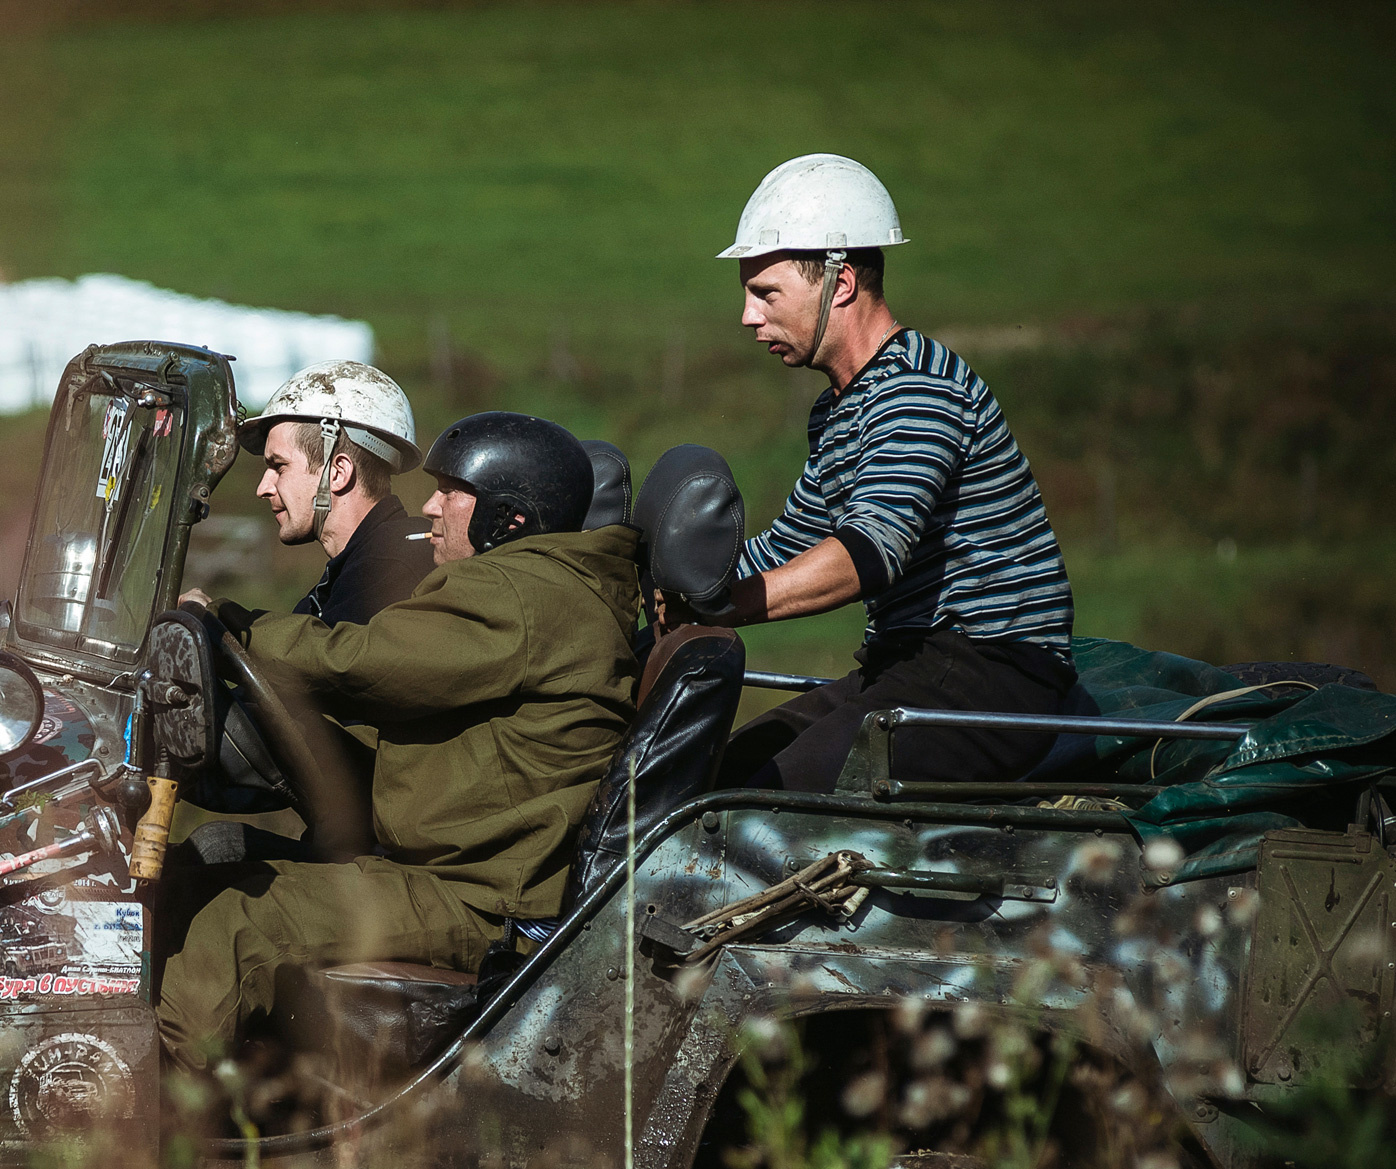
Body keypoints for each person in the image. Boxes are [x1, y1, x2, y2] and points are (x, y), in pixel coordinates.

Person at [160, 413, 639, 1065]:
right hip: (461, 875)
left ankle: (170, 1135)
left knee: (232, 923)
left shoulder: (523, 593)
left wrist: (228, 627)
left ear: (509, 518)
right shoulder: (545, 588)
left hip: (475, 897)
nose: (428, 505)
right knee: (201, 880)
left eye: (450, 491)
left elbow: (363, 663)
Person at [695, 154, 1078, 792]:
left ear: (839, 283)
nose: (747, 316)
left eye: (766, 293)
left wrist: (723, 607)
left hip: (993, 675)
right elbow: (788, 548)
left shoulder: (918, 390)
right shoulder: (841, 409)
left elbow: (868, 554)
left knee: (767, 801)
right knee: (717, 775)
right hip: (909, 665)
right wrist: (668, 581)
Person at [239, 361, 437, 627]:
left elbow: (323, 661)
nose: (263, 488)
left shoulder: (393, 567)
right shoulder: (349, 575)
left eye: (279, 466)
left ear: (337, 473)